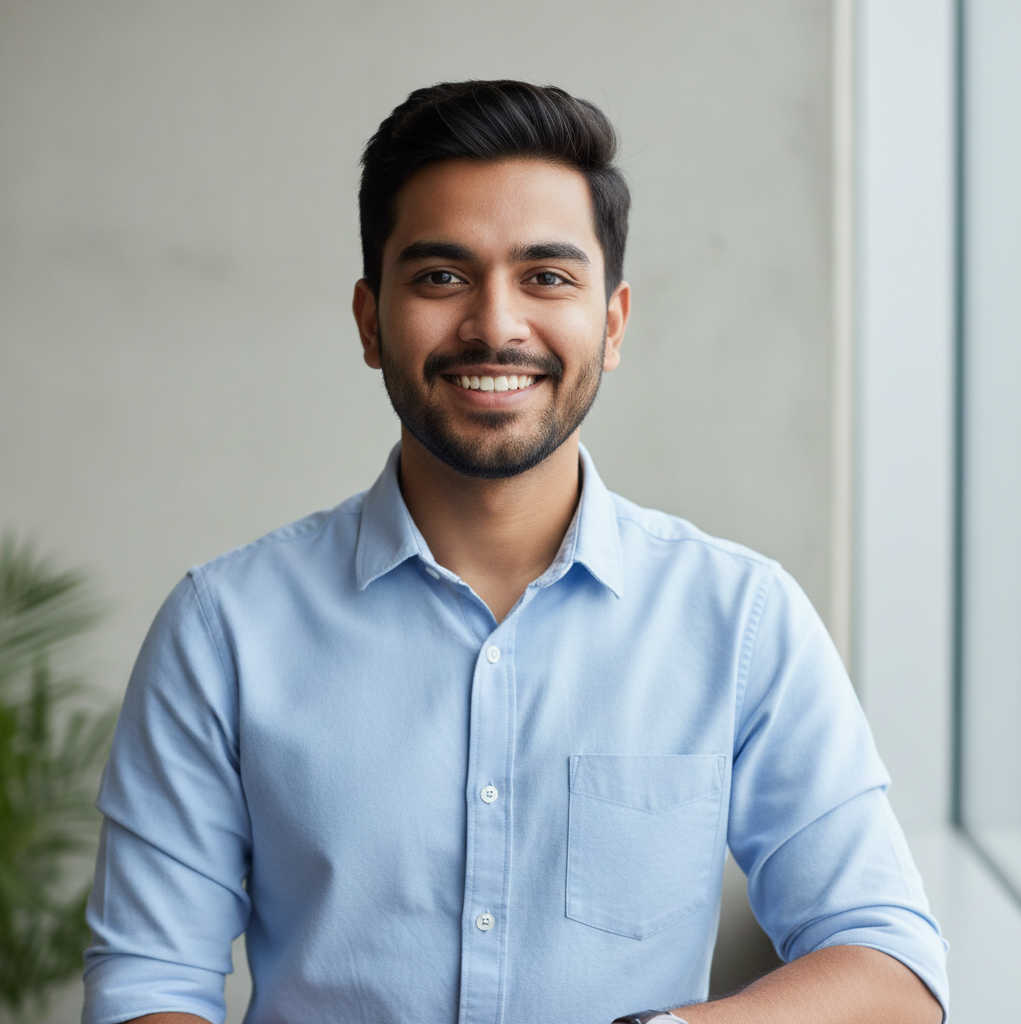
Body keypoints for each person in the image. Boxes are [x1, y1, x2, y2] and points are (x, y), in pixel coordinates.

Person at [83, 81, 947, 1024]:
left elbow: (892, 966)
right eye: (440, 277)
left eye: (547, 277)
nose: (495, 326)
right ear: (371, 321)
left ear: (611, 323)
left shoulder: (741, 620)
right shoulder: (223, 629)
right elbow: (148, 984)